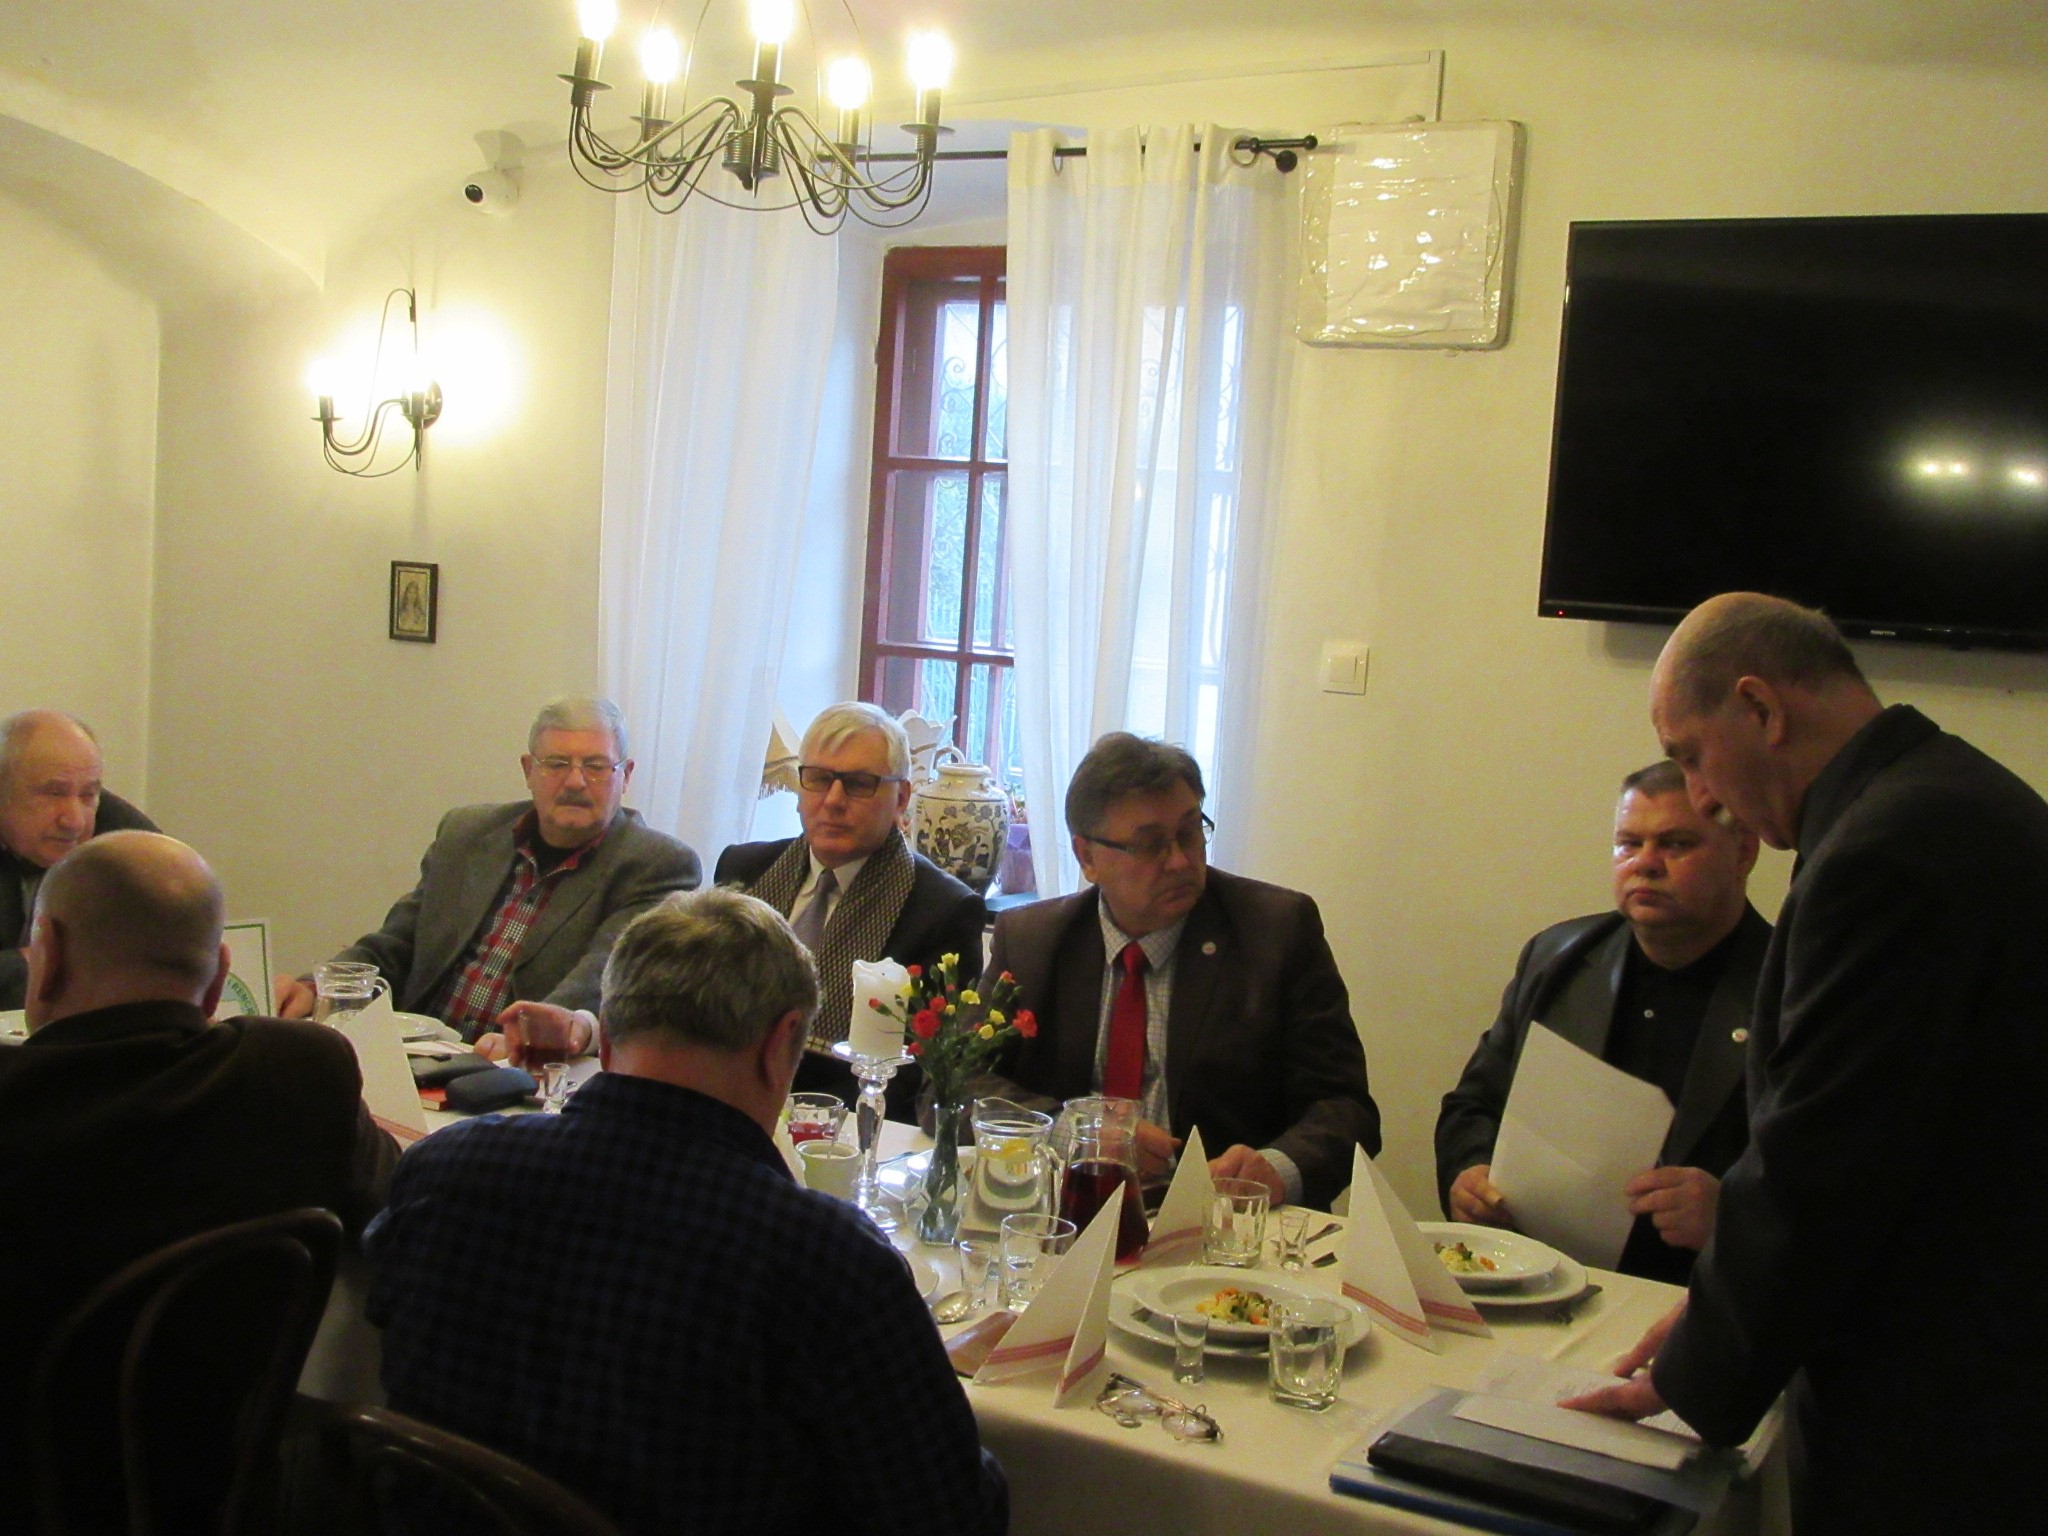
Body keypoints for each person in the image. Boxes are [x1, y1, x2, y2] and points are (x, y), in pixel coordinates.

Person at [1565, 593, 2048, 1534]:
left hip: (1947, 1402)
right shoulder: (1950, 793)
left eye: (1693, 755)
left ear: (1761, 708)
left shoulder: (1883, 851)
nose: (1702, 793)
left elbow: (1822, 1163)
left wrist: (1692, 1373)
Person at [365, 887, 1008, 1536]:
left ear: (607, 1037)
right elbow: (953, 1515)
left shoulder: (444, 1170)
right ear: (781, 1043)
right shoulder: (820, 1260)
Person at [0, 831, 398, 1516]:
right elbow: (398, 1218)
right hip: (222, 1495)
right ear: (219, 976)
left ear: (49, 956)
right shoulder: (303, 1072)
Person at [971, 732, 1379, 1210]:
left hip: (1221, 1221)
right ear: (1087, 857)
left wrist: (1278, 1167)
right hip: (1068, 1210)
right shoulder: (1032, 940)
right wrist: (1074, 1132)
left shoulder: (1277, 931)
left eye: (1189, 832)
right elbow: (956, 1083)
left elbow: (1346, 1108)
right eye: (1150, 845)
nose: (1181, 861)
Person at [1436, 760, 1767, 1282]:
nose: (1645, 863)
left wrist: (1735, 1215)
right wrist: (1470, 1172)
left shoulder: (1790, 988)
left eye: (1676, 844)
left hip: (1700, 1294)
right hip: (1545, 1276)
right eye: (1628, 844)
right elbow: (1473, 1106)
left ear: (1743, 852)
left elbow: (1844, 1187)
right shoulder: (1558, 958)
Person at [276, 696, 700, 1063]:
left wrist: (535, 1033)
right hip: (415, 1052)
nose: (575, 781)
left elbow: (600, 978)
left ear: (625, 776)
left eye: (596, 766)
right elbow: (396, 943)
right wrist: (319, 989)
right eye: (556, 764)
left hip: (514, 1070)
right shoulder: (467, 834)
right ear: (528, 770)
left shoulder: (656, 865)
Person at [716, 702, 985, 1109]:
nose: (834, 800)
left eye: (859, 784)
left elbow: (921, 1080)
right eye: (818, 779)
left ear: (901, 798)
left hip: (849, 1120)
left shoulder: (944, 910)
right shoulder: (744, 869)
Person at [0, 710, 158, 1010]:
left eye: (88, 796)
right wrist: (30, 965)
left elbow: (174, 952)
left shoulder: (128, 844)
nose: (74, 821)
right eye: (53, 793)